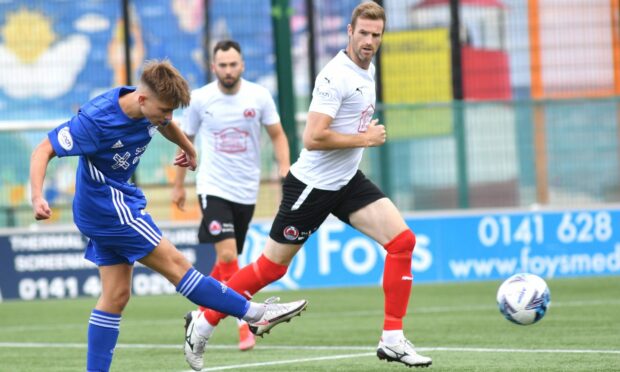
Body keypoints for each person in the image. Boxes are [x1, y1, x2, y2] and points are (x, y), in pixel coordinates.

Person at [183, 2, 433, 368]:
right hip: (312, 187)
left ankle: (392, 338)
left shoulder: (368, 68)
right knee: (271, 268)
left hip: (346, 181)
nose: (368, 41)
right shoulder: (336, 76)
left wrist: (359, 141)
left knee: (402, 242)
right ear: (349, 31)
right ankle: (203, 321)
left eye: (375, 35)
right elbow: (313, 137)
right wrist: (365, 138)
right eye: (362, 33)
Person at [29, 59, 307, 372]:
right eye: (165, 110)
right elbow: (43, 149)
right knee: (177, 266)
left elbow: (164, 124)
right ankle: (254, 314)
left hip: (110, 205)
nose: (168, 117)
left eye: (172, 111)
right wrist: (37, 196)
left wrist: (188, 147)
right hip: (108, 207)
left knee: (116, 296)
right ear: (143, 99)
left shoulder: (150, 107)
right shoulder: (96, 120)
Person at [172, 40, 290, 352]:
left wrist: (285, 170)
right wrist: (179, 184)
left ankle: (198, 314)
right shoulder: (200, 99)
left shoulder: (259, 96)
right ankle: (245, 324)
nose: (228, 70)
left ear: (242, 65)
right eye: (222, 65)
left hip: (246, 190)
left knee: (226, 267)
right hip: (212, 187)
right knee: (228, 257)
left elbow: (278, 135)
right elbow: (186, 141)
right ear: (214, 67)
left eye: (233, 64)